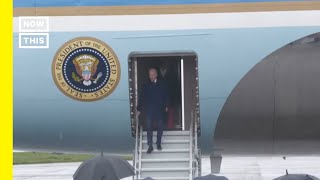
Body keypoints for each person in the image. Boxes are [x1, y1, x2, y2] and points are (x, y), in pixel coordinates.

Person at [137, 68, 169, 153]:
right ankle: (150, 145)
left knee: (160, 126)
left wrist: (166, 105)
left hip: (159, 109)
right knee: (149, 127)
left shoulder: (162, 84)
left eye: (152, 74)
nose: (151, 76)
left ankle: (158, 143)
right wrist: (139, 109)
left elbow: (166, 96)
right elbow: (141, 98)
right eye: (150, 75)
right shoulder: (145, 85)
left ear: (156, 75)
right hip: (149, 109)